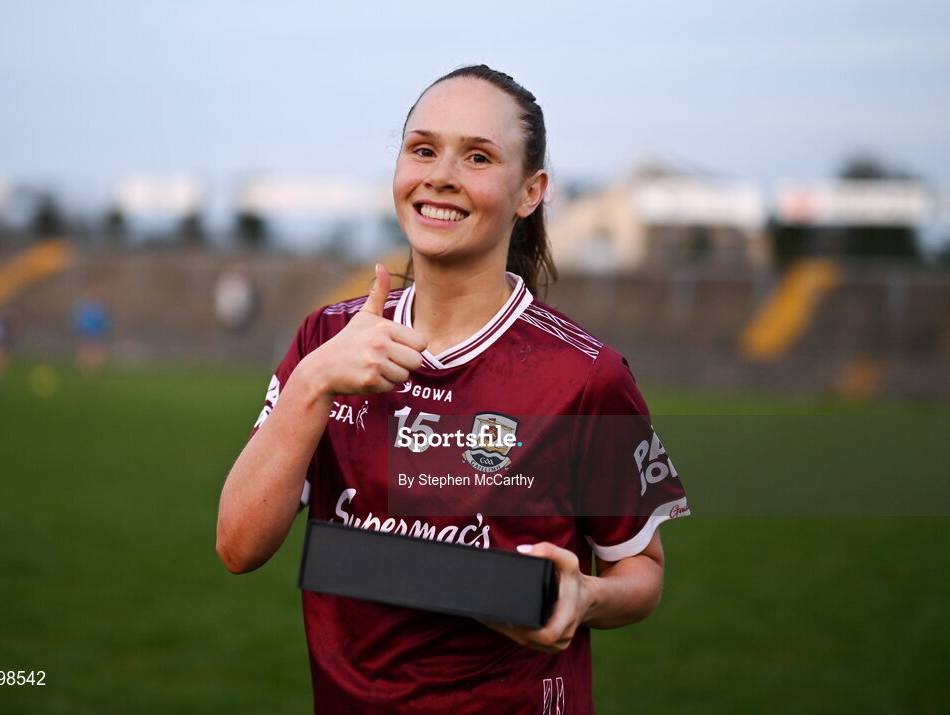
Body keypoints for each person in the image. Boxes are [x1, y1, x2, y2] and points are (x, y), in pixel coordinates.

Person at [217, 65, 689, 713]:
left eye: (477, 156)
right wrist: (316, 378)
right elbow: (238, 545)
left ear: (531, 192)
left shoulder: (585, 376)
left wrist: (586, 596)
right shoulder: (327, 339)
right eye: (422, 148)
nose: (440, 174)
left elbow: (643, 572)